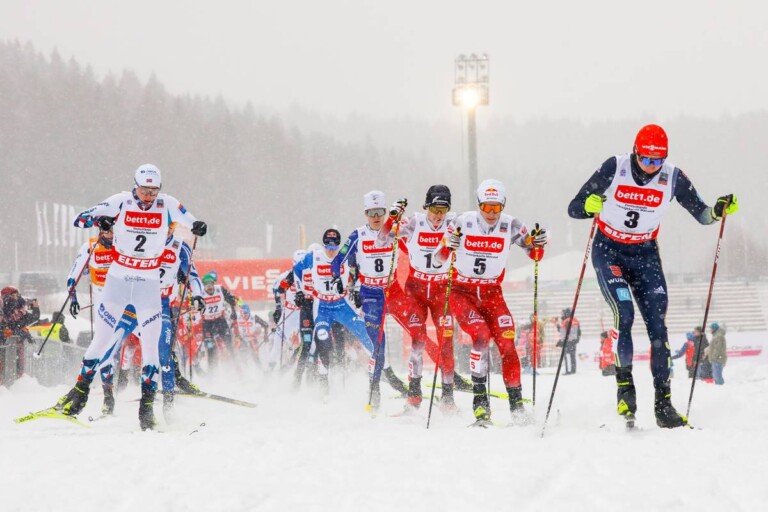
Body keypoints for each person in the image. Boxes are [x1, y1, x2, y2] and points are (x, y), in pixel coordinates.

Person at [567, 124, 738, 428]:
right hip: (609, 251)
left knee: (658, 329)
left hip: (645, 254)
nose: (650, 168)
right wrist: (589, 205)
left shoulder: (672, 176)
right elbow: (574, 207)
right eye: (646, 160)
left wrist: (717, 211)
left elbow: (701, 213)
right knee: (625, 313)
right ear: (635, 153)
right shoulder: (615, 167)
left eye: (657, 161)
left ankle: (663, 404)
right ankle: (625, 389)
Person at [55, 163, 207, 430]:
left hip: (148, 284)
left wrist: (198, 226)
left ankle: (146, 409)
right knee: (102, 340)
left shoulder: (167, 204)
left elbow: (191, 221)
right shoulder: (121, 201)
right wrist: (99, 220)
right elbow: (79, 219)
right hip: (118, 280)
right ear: (134, 186)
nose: (148, 197)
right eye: (143, 190)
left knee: (151, 347)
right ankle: (79, 394)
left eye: (153, 191)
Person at [433, 179, 548, 424]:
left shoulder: (512, 224)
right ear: (479, 205)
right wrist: (447, 246)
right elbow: (437, 261)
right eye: (487, 207)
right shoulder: (461, 221)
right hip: (461, 292)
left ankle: (517, 408)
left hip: (492, 293)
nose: (492, 213)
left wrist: (538, 242)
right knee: (481, 335)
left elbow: (535, 254)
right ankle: (480, 404)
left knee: (507, 341)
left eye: (497, 207)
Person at [375, 184, 473, 411]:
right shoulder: (414, 222)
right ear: (426, 206)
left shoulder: (455, 223)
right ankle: (414, 395)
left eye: (443, 210)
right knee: (417, 341)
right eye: (434, 209)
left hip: (442, 291)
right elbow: (382, 240)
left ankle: (448, 398)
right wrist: (392, 218)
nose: (439, 215)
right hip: (416, 289)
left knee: (446, 344)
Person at [331, 192, 411, 409]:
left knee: (416, 330)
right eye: (371, 213)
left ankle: (417, 387)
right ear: (365, 214)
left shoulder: (395, 231)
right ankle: (374, 389)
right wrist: (337, 278)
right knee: (379, 344)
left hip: (392, 290)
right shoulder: (358, 235)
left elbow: (415, 250)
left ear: (385, 213)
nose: (376, 217)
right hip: (370, 294)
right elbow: (338, 259)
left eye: (380, 212)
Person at [200, 271, 241, 371]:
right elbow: (192, 306)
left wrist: (233, 311)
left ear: (213, 283)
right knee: (210, 349)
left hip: (220, 321)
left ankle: (238, 370)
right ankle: (212, 373)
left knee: (229, 346)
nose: (209, 287)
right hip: (207, 324)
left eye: (210, 284)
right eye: (206, 284)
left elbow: (232, 299)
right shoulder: (200, 293)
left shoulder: (220, 289)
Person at [0, 287, 40, 376]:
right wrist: (22, 333)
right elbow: (8, 331)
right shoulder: (5, 310)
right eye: (13, 295)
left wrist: (35, 307)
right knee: (6, 371)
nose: (15, 298)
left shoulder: (19, 312)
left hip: (15, 347)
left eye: (16, 295)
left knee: (17, 370)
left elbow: (34, 319)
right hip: (6, 347)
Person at [557, 307, 581, 375]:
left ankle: (569, 370)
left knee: (567, 356)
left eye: (563, 313)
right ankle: (573, 370)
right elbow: (578, 332)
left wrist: (562, 341)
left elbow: (563, 332)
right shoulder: (575, 320)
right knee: (572, 356)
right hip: (573, 341)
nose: (562, 315)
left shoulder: (567, 321)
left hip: (568, 342)